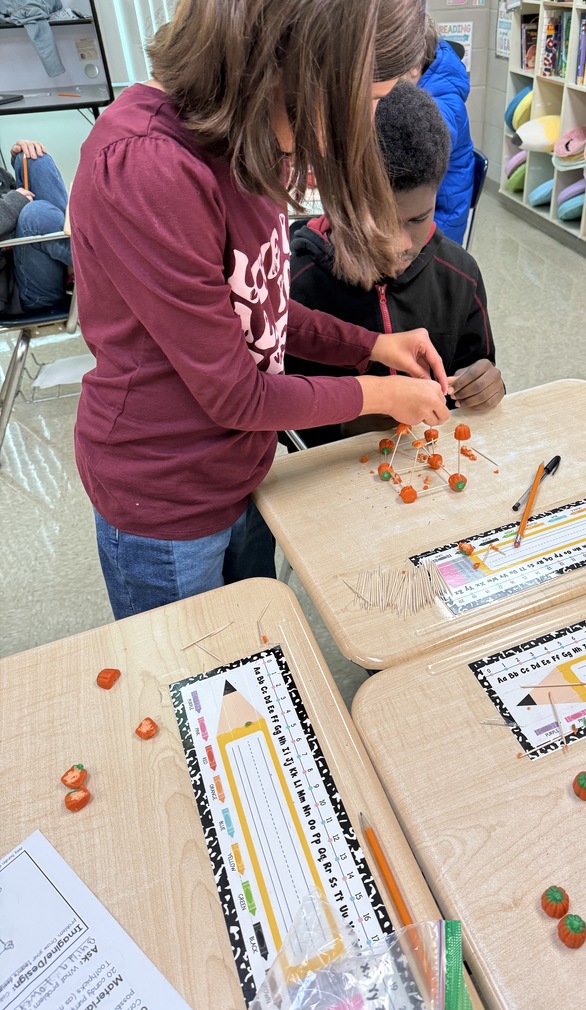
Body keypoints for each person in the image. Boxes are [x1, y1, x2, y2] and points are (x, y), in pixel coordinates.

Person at [68, 0, 449, 621]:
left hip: (245, 470)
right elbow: (236, 396)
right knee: (196, 674)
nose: (371, 119)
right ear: (303, 72)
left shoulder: (257, 142)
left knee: (249, 642)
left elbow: (260, 307)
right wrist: (380, 397)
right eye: (370, 99)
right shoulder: (149, 169)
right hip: (168, 502)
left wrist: (373, 346)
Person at [284, 81, 504, 449]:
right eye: (379, 222)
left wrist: (484, 385)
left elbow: (474, 370)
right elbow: (280, 420)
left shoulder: (460, 274)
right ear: (337, 199)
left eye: (418, 219)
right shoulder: (295, 282)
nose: (401, 245)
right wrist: (352, 423)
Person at [403, 18, 474, 245]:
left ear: (415, 66)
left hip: (436, 230)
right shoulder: (426, 85)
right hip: (421, 216)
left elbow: (408, 168)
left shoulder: (442, 107)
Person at [0, 138, 72, 313]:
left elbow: (17, 192)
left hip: (33, 257)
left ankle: (76, 264)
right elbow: (18, 203)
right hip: (17, 292)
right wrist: (14, 201)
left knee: (33, 157)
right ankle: (95, 264)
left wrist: (19, 156)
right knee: (36, 214)